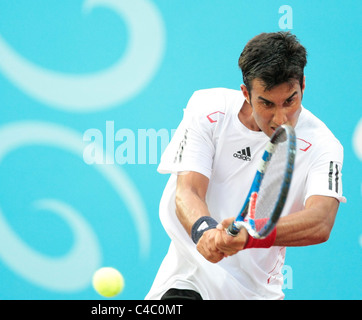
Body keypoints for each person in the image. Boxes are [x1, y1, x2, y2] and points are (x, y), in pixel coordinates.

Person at [145, 31, 346, 300]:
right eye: (267, 103)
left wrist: (251, 234)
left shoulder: (323, 145)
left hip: (257, 292)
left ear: (303, 86)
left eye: (290, 100)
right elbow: (188, 191)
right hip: (190, 278)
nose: (281, 118)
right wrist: (204, 231)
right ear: (246, 94)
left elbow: (320, 221)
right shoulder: (208, 110)